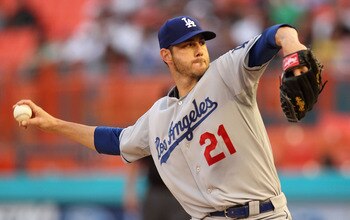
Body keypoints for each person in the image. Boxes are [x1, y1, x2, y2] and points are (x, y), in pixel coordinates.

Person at [15, 15, 312, 219]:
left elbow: (272, 37)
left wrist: (292, 44)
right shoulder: (158, 116)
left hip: (264, 213)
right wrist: (53, 124)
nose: (198, 50)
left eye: (200, 42)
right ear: (166, 56)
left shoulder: (227, 74)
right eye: (187, 45)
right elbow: (114, 141)